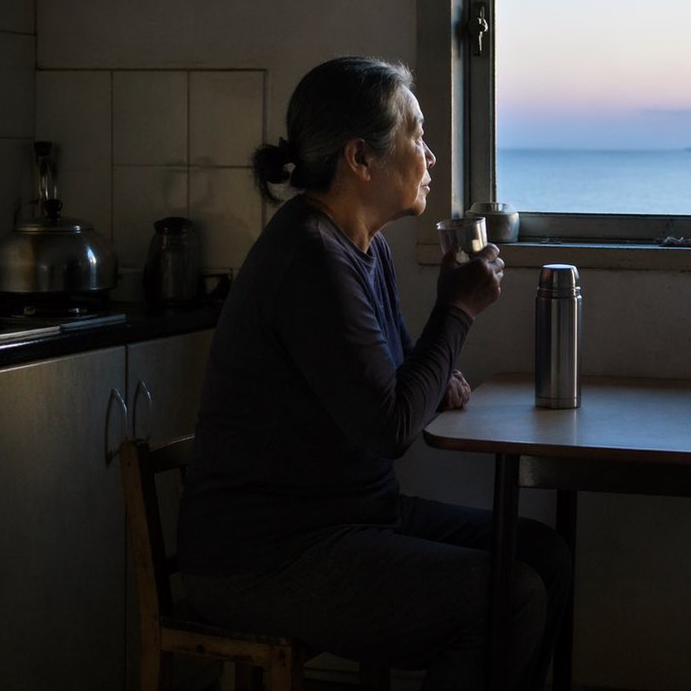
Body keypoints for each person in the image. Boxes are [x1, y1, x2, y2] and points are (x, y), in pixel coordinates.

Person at [177, 56, 570, 690]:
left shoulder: (365, 246)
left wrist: (434, 372)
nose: (431, 154)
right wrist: (457, 310)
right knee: (509, 597)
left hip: (355, 515)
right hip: (268, 553)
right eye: (415, 134)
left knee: (543, 556)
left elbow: (388, 382)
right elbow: (388, 427)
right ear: (361, 158)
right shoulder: (311, 257)